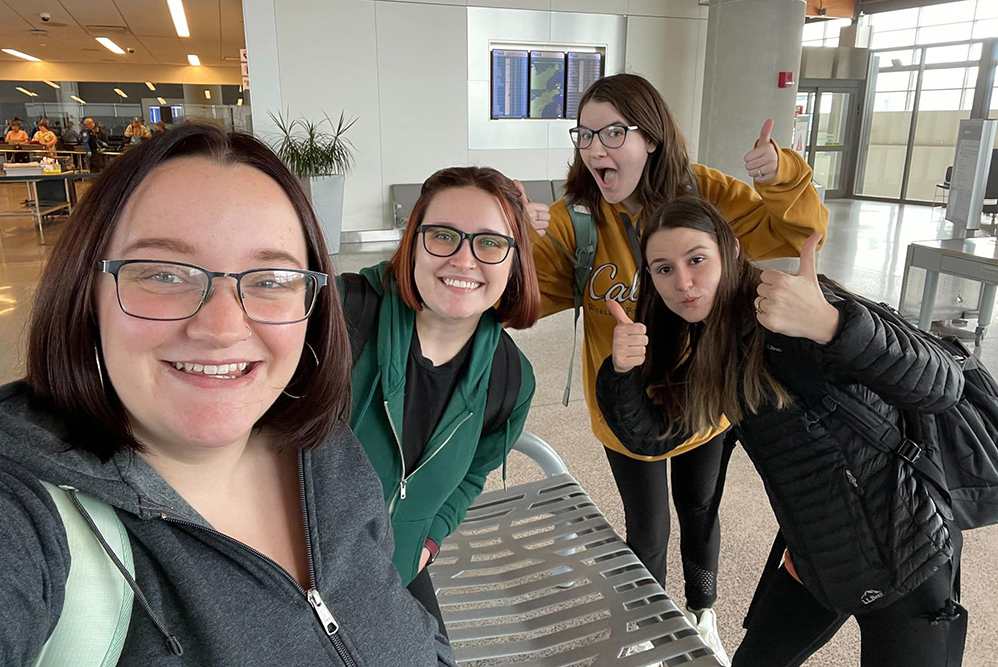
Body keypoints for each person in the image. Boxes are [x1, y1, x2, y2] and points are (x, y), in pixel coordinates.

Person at [0, 124, 455, 666]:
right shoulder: (25, 515)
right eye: (165, 274)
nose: (220, 327)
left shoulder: (325, 449)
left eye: (270, 278)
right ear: (85, 294)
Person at [515, 72, 828, 662]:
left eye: (612, 132)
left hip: (706, 399)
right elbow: (523, 303)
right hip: (629, 410)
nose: (595, 149)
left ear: (652, 137)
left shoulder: (705, 194)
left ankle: (702, 613)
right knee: (647, 529)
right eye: (583, 135)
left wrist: (781, 176)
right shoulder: (575, 220)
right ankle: (652, 630)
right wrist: (510, 240)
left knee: (701, 509)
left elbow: (798, 231)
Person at [596, 197, 966, 667]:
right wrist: (622, 373)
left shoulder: (800, 309)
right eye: (663, 269)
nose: (683, 283)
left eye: (696, 259)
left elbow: (941, 386)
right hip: (816, 556)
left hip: (907, 553)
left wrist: (833, 325)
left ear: (731, 249)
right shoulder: (717, 344)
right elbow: (653, 438)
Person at [342, 166, 539, 636]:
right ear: (414, 243)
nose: (464, 260)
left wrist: (430, 538)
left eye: (489, 242)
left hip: (400, 569)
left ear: (514, 261)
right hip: (292, 573)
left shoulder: (511, 380)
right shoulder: (342, 320)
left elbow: (475, 471)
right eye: (444, 235)